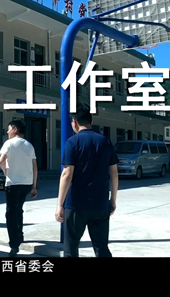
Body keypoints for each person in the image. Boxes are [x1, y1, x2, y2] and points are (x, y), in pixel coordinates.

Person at [56, 102, 119, 258]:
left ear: (74, 122)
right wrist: (113, 200)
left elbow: (67, 174)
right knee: (101, 247)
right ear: (91, 121)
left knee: (71, 248)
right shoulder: (105, 141)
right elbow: (114, 173)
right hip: (100, 203)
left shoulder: (73, 142)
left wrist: (59, 204)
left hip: (76, 205)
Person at [0, 119, 38, 257]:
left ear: (15, 129)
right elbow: (35, 167)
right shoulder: (29, 145)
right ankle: (20, 235)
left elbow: (1, 160)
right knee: (19, 209)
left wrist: (6, 172)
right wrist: (34, 186)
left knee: (11, 213)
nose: (7, 131)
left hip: (13, 184)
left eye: (9, 129)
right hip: (26, 184)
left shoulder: (9, 143)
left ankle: (14, 245)